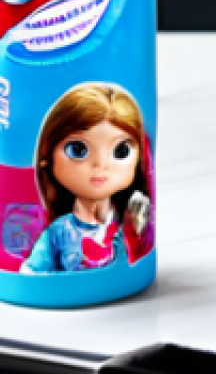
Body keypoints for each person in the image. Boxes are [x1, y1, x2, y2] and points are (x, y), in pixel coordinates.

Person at [20, 83, 153, 274]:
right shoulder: (60, 232)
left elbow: (135, 264)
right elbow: (31, 272)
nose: (101, 165)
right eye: (78, 149)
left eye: (121, 150)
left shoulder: (128, 226)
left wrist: (134, 233)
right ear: (47, 157)